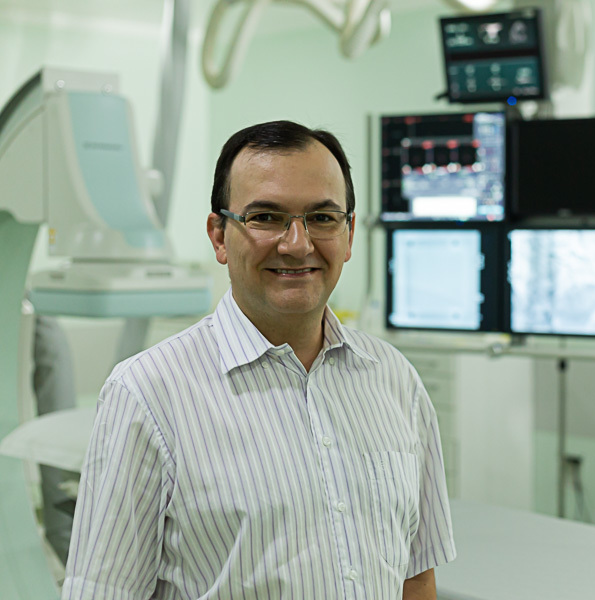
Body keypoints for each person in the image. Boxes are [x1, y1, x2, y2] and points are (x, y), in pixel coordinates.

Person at [62, 120, 455, 600]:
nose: (297, 244)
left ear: (349, 234)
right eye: (266, 217)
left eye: (322, 217)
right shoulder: (147, 394)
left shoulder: (395, 381)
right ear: (219, 236)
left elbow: (416, 576)